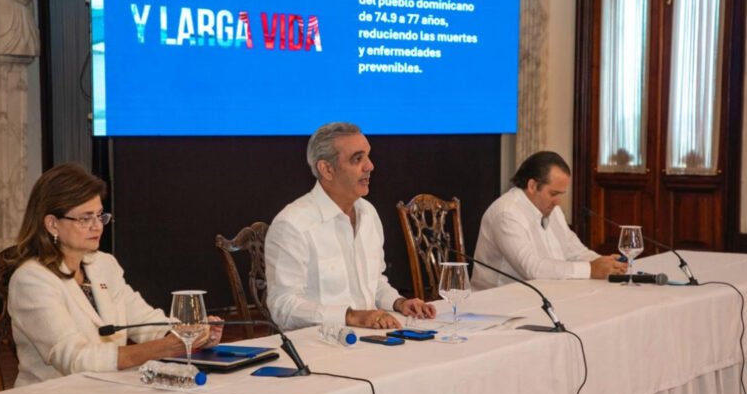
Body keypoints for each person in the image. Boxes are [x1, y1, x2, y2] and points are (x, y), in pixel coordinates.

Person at [8, 164, 223, 387]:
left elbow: (146, 322)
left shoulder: (103, 264)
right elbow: (75, 359)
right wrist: (163, 347)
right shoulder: (31, 280)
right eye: (85, 219)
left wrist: (191, 335)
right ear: (52, 224)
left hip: (110, 388)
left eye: (99, 216)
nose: (97, 227)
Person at [265, 122, 436, 331]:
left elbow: (375, 283)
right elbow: (283, 307)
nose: (370, 166)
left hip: (371, 338)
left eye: (368, 156)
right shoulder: (293, 224)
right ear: (327, 169)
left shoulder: (368, 213)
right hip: (318, 344)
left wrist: (399, 303)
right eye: (357, 159)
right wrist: (351, 317)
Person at [471, 151, 627, 290]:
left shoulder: (552, 209)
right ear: (532, 186)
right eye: (553, 194)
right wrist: (591, 269)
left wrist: (604, 263)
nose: (558, 201)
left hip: (544, 293)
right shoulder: (506, 214)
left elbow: (573, 250)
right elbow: (531, 268)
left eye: (560, 194)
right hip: (501, 302)